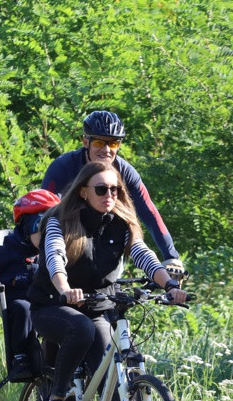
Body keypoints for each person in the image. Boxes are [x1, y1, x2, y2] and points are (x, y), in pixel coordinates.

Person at [26, 161, 188, 401]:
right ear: (83, 192)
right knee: (82, 329)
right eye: (101, 189)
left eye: (115, 189)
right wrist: (65, 287)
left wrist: (171, 285)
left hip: (97, 307)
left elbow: (142, 254)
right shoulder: (59, 221)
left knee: (112, 393)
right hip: (54, 305)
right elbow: (54, 257)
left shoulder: (122, 224)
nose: (109, 195)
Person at [40, 110, 185, 277]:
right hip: (68, 240)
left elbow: (149, 213)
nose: (107, 150)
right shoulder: (63, 167)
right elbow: (44, 212)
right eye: (100, 143)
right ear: (86, 141)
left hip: (106, 246)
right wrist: (38, 253)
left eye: (114, 143)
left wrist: (171, 257)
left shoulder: (126, 172)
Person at [0, 189, 60, 382]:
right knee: (24, 307)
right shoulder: (6, 252)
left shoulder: (55, 253)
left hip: (46, 304)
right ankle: (21, 358)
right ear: (26, 227)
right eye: (42, 227)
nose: (48, 235)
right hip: (19, 305)